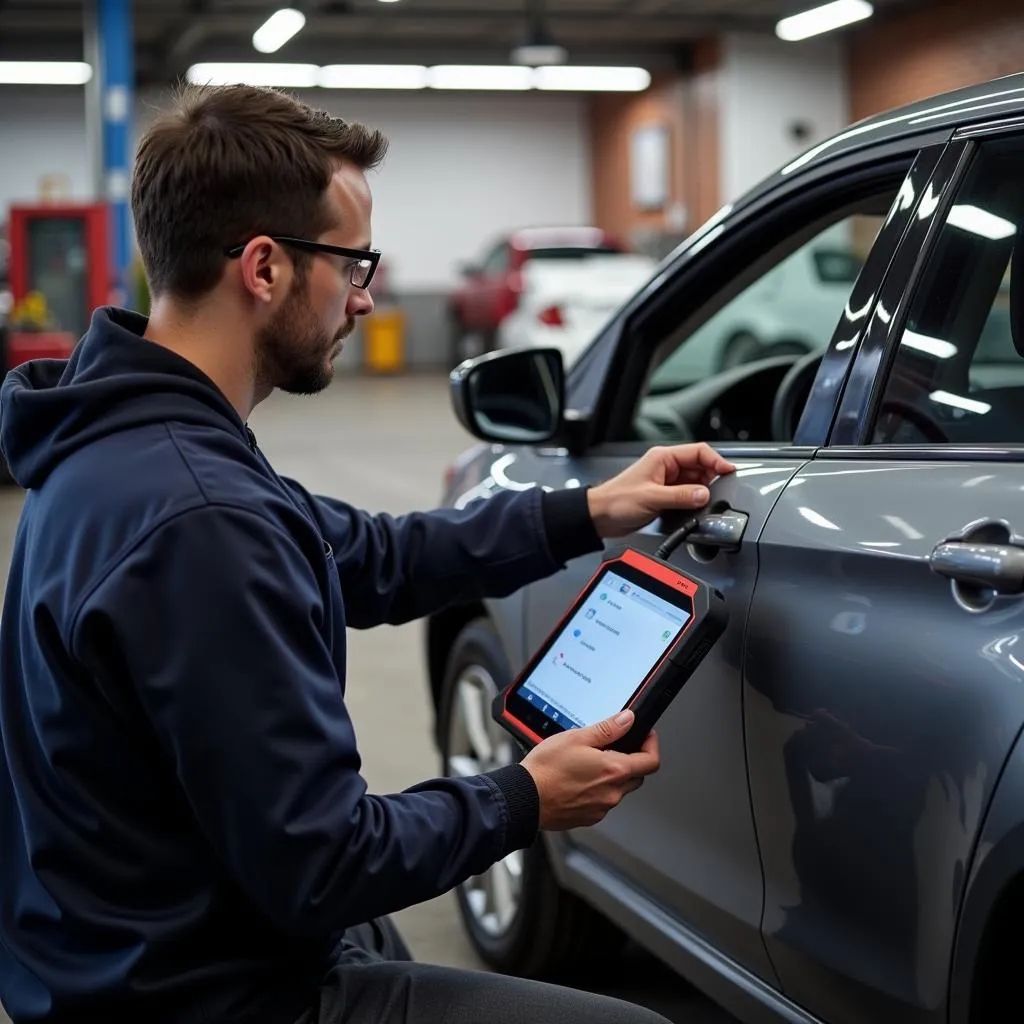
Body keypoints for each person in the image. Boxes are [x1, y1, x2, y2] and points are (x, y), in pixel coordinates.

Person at [0, 84, 735, 1024]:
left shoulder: (125, 443)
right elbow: (327, 863)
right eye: (353, 263)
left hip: (133, 952)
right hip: (206, 996)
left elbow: (371, 556)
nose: (367, 295)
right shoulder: (197, 515)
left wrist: (590, 510)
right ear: (263, 268)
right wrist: (523, 797)